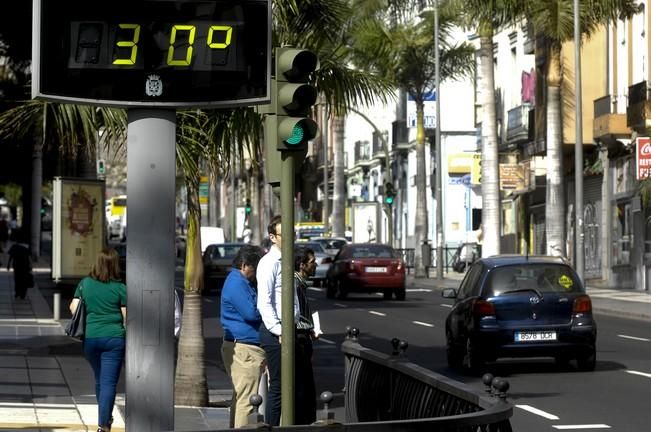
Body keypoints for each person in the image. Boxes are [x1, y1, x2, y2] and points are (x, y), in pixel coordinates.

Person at [69, 248, 126, 432]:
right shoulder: (120, 287)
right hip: (114, 339)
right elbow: (127, 317)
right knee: (109, 382)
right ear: (115, 265)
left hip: (91, 339)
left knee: (100, 380)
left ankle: (105, 419)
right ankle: (103, 425)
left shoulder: (85, 284)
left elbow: (73, 308)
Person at [256, 215, 299, 426]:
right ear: (273, 237)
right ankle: (271, 427)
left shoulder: (287, 260)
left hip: (292, 330)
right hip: (276, 334)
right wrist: (279, 331)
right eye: (285, 234)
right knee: (280, 387)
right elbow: (264, 302)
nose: (291, 238)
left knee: (293, 386)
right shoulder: (268, 263)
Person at [220, 244, 266, 428]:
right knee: (246, 400)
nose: (255, 274)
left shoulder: (240, 281)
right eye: (255, 269)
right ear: (245, 265)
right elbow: (251, 313)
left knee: (241, 397)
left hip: (241, 346)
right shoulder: (236, 283)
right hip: (243, 348)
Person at [293, 246, 318, 425]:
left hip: (304, 335)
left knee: (305, 386)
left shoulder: (300, 283)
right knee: (302, 386)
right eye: (312, 262)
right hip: (299, 339)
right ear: (302, 265)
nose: (315, 264)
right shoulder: (295, 284)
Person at [6, 231, 32, 300]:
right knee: (24, 279)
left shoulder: (14, 246)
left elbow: (11, 256)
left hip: (17, 265)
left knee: (17, 279)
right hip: (25, 266)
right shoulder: (27, 246)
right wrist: (31, 266)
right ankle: (23, 293)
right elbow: (29, 257)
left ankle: (17, 292)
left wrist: (8, 265)